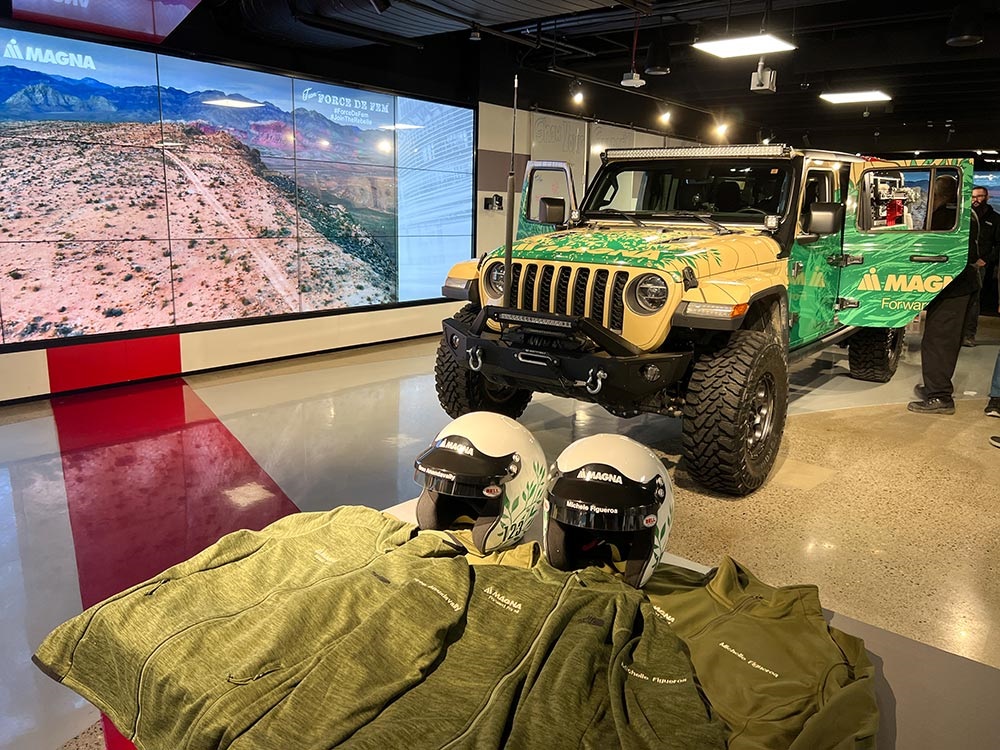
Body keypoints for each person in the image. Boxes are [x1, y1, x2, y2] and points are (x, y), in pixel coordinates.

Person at [908, 197, 981, 415]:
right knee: (944, 341)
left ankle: (939, 396)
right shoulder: (966, 212)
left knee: (939, 341)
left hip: (952, 286)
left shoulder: (947, 214)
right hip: (962, 284)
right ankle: (936, 388)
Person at [962, 185, 999, 346]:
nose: (976, 200)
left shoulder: (996, 219)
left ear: (987, 197)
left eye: (980, 196)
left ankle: (968, 335)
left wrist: (985, 260)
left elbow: (998, 245)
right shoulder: (963, 217)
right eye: (973, 197)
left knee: (974, 300)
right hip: (960, 263)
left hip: (979, 266)